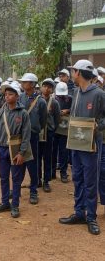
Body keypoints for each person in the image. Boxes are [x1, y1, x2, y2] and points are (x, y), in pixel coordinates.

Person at [59, 59, 105, 236]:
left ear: (79, 73)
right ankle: (79, 212)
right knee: (77, 177)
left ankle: (91, 216)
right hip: (76, 143)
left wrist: (97, 126)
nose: (72, 73)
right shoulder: (76, 92)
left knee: (91, 180)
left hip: (91, 144)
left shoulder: (99, 94)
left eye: (73, 71)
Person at [0, 83, 31, 218]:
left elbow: (26, 135)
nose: (7, 97)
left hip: (16, 150)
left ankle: (15, 205)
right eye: (6, 94)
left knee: (16, 179)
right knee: (3, 177)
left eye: (11, 94)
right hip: (2, 148)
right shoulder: (0, 112)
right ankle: (4, 202)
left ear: (17, 96)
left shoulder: (23, 113)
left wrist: (22, 153)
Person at [19, 73, 47, 205]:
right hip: (19, 136)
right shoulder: (20, 97)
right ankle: (16, 191)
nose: (22, 84)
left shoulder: (40, 101)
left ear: (32, 84)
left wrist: (34, 129)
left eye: (25, 82)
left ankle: (33, 191)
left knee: (32, 163)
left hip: (32, 136)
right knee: (18, 162)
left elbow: (43, 121)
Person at [37, 78, 60, 192]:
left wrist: (51, 129)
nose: (47, 88)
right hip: (37, 133)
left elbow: (57, 119)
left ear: (52, 89)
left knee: (47, 157)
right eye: (45, 86)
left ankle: (46, 181)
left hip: (49, 133)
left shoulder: (54, 103)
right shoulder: (36, 100)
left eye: (49, 87)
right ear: (41, 87)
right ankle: (37, 179)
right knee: (37, 157)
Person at [52, 82, 72, 183]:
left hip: (65, 129)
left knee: (64, 151)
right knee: (53, 150)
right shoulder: (53, 99)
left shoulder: (70, 99)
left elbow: (75, 109)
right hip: (54, 129)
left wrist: (68, 110)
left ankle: (63, 173)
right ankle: (51, 172)